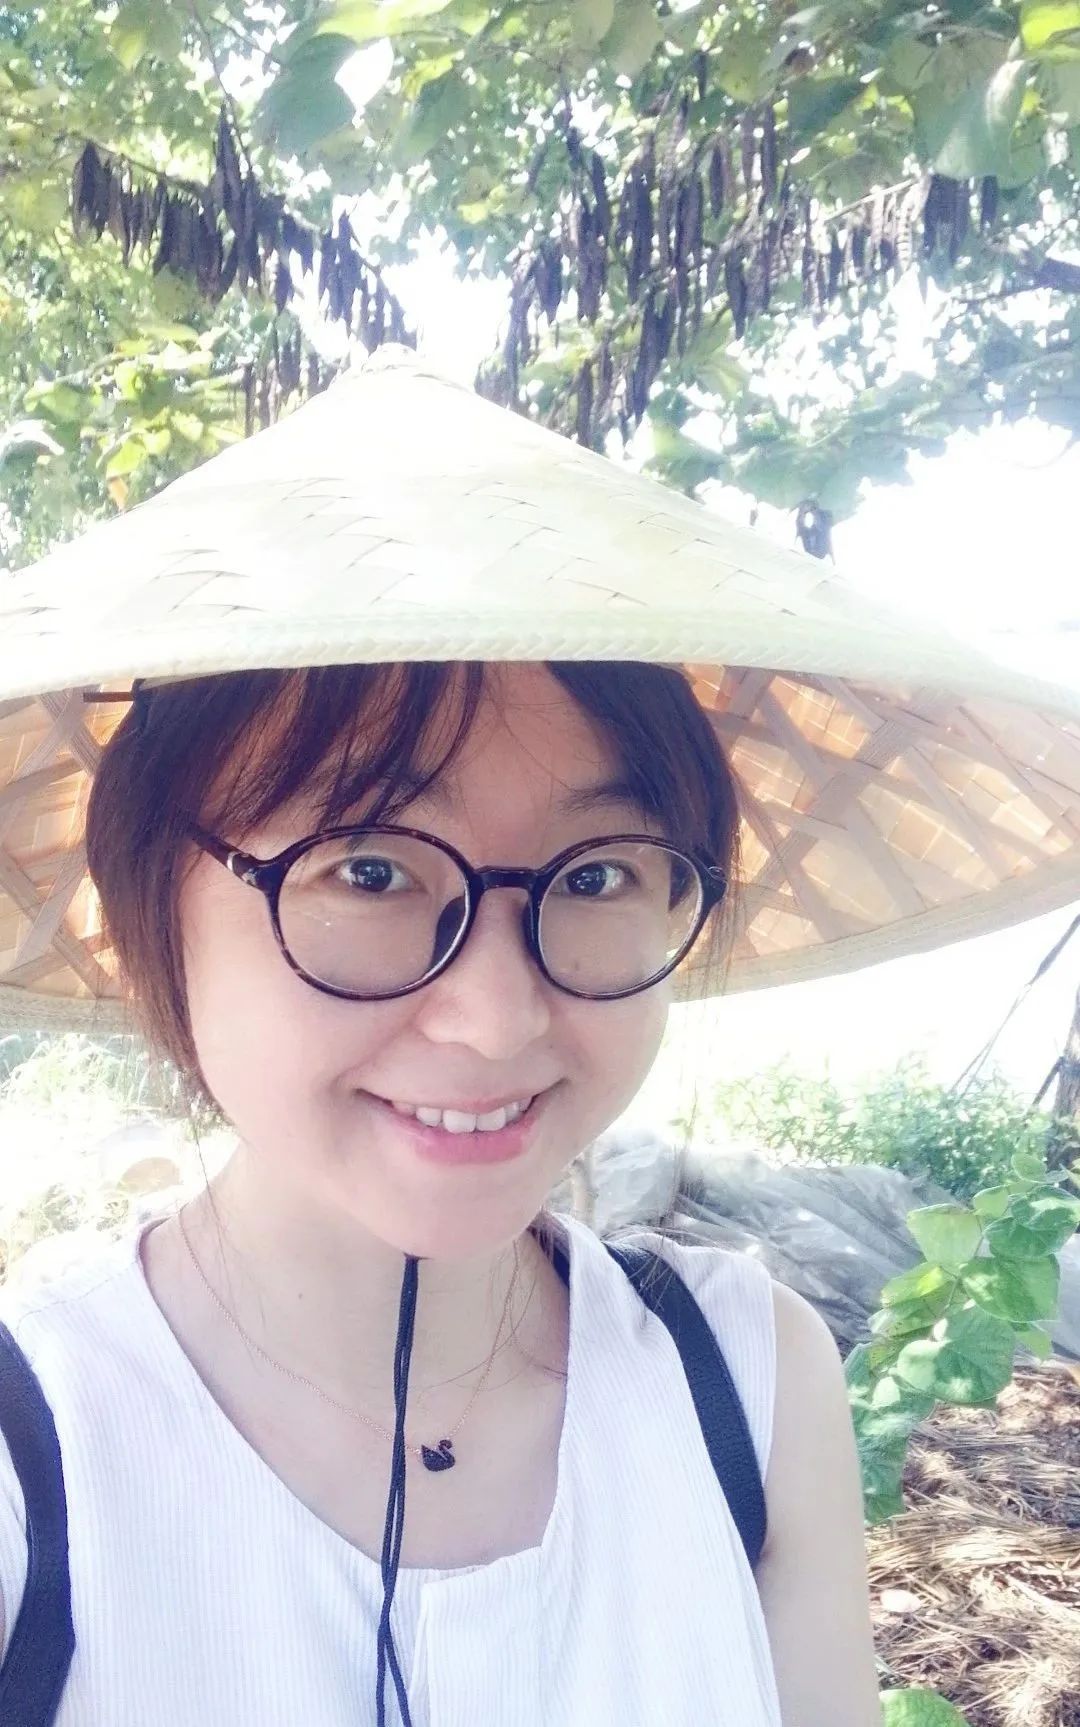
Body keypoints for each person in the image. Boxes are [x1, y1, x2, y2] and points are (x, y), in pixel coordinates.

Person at [13, 341, 1074, 1725]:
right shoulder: (34, 1449)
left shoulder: (744, 1382)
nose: (499, 1017)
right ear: (142, 908)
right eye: (370, 870)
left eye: (598, 874)